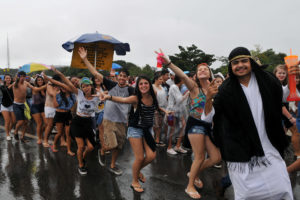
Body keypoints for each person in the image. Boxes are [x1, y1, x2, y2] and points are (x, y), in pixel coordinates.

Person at [203, 47, 293, 199]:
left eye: (244, 61)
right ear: (231, 67)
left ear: (251, 62)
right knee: (247, 194)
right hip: (241, 153)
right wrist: (208, 99)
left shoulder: (267, 80)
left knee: (281, 188)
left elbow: (283, 95)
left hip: (269, 147)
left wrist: (292, 76)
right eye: (235, 63)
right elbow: (208, 118)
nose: (240, 65)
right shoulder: (225, 89)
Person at [156, 50, 221, 199]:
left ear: (210, 73)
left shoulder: (215, 90)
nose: (202, 70)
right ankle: (190, 186)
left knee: (216, 157)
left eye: (205, 68)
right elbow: (183, 75)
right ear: (196, 75)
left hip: (208, 126)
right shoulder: (194, 87)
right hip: (196, 124)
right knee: (198, 157)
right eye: (199, 70)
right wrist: (168, 63)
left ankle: (194, 173)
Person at [100, 75, 169, 193]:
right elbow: (122, 100)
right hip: (135, 129)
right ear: (137, 86)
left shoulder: (154, 96)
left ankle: (137, 171)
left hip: (147, 130)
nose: (143, 86)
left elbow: (155, 107)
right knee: (140, 157)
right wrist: (108, 97)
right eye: (140, 84)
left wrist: (165, 111)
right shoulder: (135, 98)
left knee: (151, 156)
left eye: (145, 83)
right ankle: (134, 181)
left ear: (149, 84)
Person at [78, 47, 135, 175]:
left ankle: (113, 165)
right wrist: (85, 59)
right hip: (108, 119)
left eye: (124, 77)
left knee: (119, 147)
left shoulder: (131, 90)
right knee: (112, 145)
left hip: (121, 121)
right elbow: (95, 73)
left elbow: (132, 103)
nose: (122, 78)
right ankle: (102, 150)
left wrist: (129, 120)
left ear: (128, 78)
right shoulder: (111, 85)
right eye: (120, 76)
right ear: (117, 76)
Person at [274, 64, 300, 173]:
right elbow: (279, 105)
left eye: (283, 73)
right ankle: (280, 167)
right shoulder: (274, 85)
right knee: (280, 135)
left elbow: (290, 87)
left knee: (294, 131)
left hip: (285, 114)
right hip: (278, 114)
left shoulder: (282, 86)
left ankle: (296, 154)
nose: (281, 75)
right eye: (279, 73)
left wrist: (291, 73)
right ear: (275, 73)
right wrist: (289, 117)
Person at [44, 71, 76, 156]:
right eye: (62, 87)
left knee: (68, 133)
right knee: (59, 133)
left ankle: (69, 150)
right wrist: (55, 96)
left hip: (67, 114)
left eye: (65, 87)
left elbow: (72, 104)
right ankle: (54, 145)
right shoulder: (57, 95)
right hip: (59, 115)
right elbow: (56, 105)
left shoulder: (72, 95)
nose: (63, 88)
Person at [166, 75, 189, 155]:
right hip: (172, 111)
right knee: (171, 130)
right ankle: (169, 147)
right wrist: (188, 92)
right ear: (181, 80)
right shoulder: (173, 87)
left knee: (184, 126)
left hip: (179, 111)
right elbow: (179, 100)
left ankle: (178, 146)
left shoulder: (178, 87)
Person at [12, 71, 33, 142]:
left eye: (24, 76)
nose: (22, 78)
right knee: (20, 122)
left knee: (26, 122)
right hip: (16, 105)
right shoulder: (15, 84)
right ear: (18, 77)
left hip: (24, 104)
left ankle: (22, 137)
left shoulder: (26, 83)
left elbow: (33, 87)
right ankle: (15, 132)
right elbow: (9, 87)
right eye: (21, 76)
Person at [152, 72, 168, 146]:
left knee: (160, 125)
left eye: (162, 79)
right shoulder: (152, 87)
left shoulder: (162, 87)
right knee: (156, 126)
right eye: (160, 79)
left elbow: (165, 98)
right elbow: (154, 101)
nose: (162, 80)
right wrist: (161, 109)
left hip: (163, 108)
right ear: (156, 79)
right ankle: (155, 140)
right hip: (156, 109)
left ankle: (157, 139)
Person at [30, 75, 47, 144]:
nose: (40, 81)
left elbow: (46, 98)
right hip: (35, 107)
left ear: (43, 81)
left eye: (41, 80)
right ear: (36, 82)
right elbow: (38, 90)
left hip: (43, 107)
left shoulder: (45, 89)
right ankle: (39, 138)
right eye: (38, 80)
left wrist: (43, 90)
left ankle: (40, 132)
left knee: (47, 123)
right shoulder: (35, 88)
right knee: (39, 123)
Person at [0, 74, 15, 140]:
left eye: (9, 78)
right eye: (7, 78)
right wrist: (12, 85)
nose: (8, 79)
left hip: (12, 105)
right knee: (7, 121)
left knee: (14, 121)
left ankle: (9, 130)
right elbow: (5, 91)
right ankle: (7, 134)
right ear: (4, 79)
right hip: (4, 105)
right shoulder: (2, 86)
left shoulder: (14, 86)